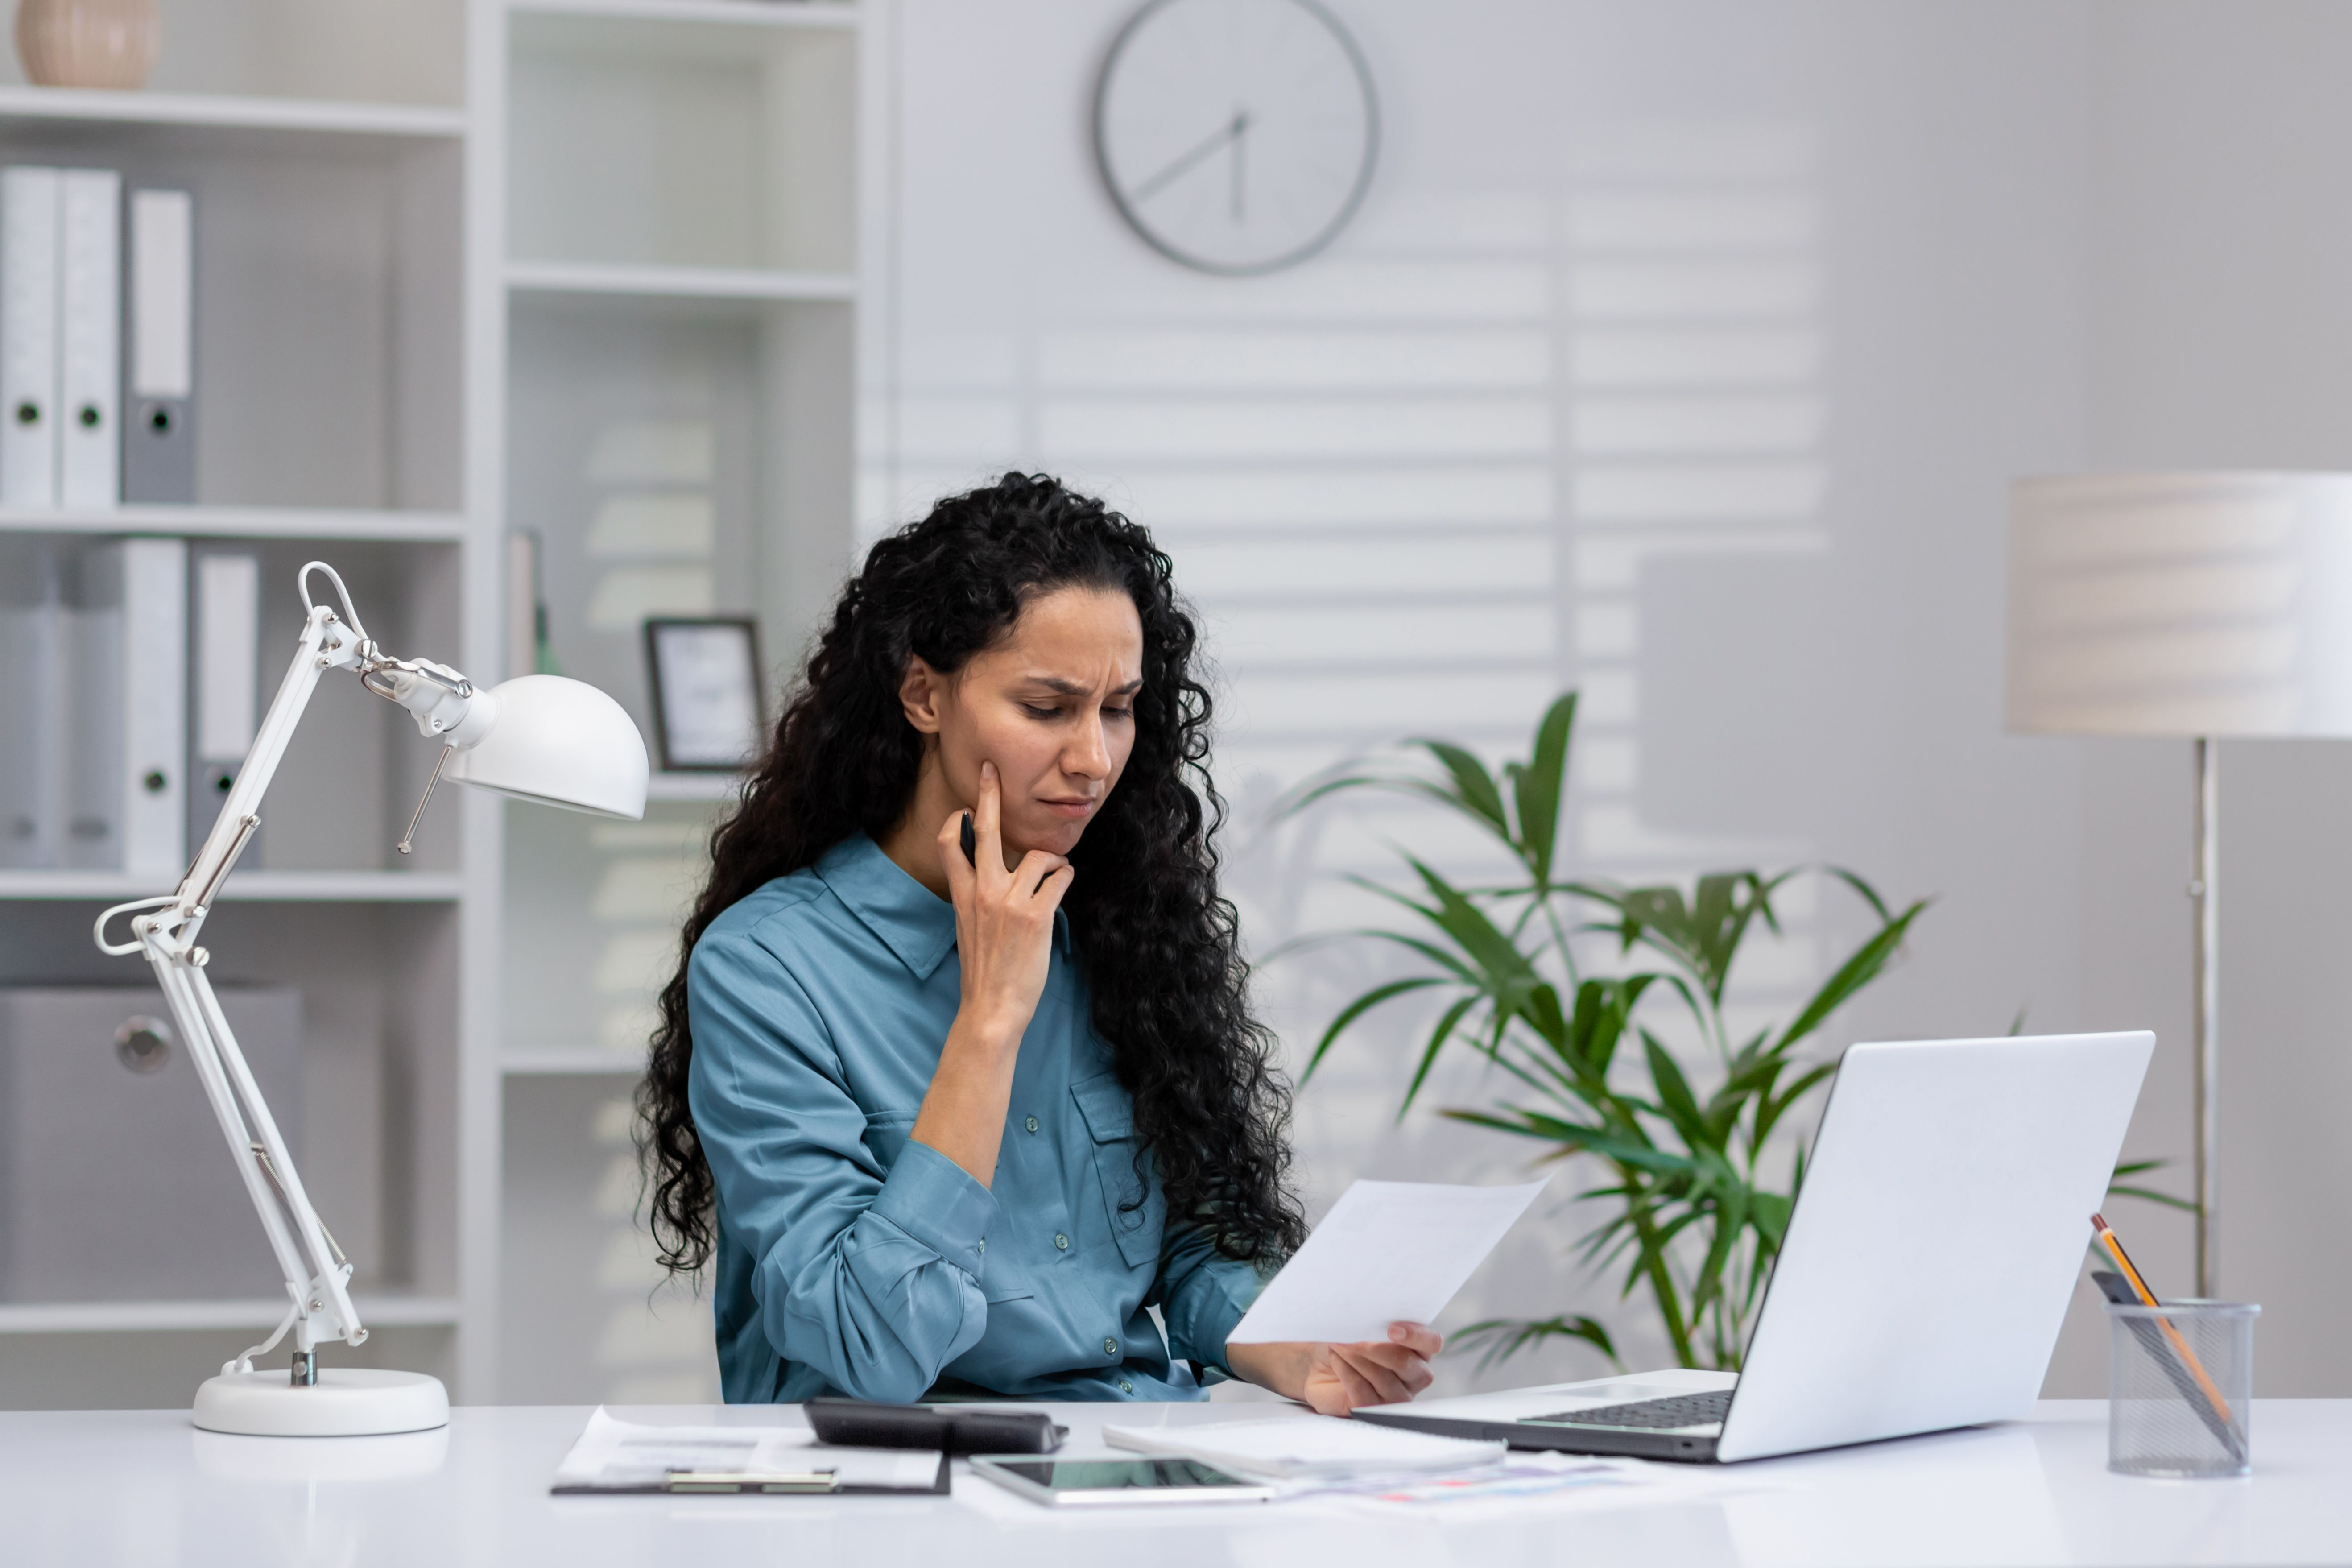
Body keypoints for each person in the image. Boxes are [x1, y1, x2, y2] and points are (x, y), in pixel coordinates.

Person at [637, 472, 1442, 1411]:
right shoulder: (767, 969)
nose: (1094, 759)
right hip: (896, 1485)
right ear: (924, 696)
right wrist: (988, 1023)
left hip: (1130, 1461)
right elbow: (867, 1346)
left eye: (1118, 708)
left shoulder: (1118, 927)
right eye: (1047, 708)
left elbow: (1186, 1250)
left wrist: (1293, 1346)